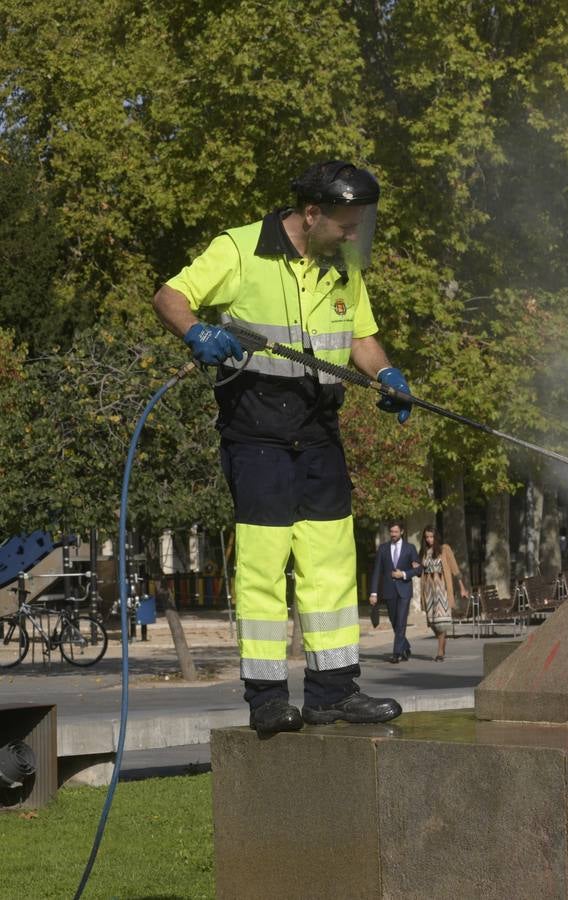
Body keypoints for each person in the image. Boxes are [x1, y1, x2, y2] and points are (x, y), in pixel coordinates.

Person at [153, 160, 411, 733]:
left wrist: (387, 374)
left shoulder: (342, 268)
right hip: (257, 432)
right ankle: (268, 699)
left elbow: (361, 336)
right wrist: (197, 330)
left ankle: (334, 692)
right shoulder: (241, 249)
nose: (352, 237)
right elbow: (170, 295)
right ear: (312, 212)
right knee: (265, 568)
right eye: (345, 225)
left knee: (331, 564)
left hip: (321, 430)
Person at [369, 522, 421, 663]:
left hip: (404, 590)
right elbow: (377, 571)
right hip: (389, 591)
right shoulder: (383, 549)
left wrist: (403, 574)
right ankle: (405, 646)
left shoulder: (410, 548)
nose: (393, 534)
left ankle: (396, 653)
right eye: (391, 532)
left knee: (401, 621)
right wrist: (374, 593)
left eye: (396, 532)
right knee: (394, 622)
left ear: (402, 532)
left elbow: (418, 570)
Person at [418, 527, 466, 662]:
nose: (429, 539)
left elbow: (455, 569)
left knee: (442, 622)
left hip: (442, 591)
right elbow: (420, 572)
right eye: (427, 537)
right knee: (433, 622)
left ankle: (440, 652)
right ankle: (442, 642)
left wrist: (462, 588)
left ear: (436, 537)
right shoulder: (423, 552)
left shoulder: (445, 549)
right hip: (428, 591)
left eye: (431, 537)